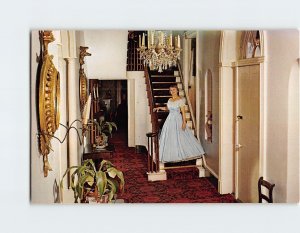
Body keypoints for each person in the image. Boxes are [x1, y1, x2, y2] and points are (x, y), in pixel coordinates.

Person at [153, 84, 205, 163]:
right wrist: (159, 108)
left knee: (179, 136)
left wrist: (184, 122)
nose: (172, 91)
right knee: (170, 137)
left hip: (177, 119)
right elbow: (167, 108)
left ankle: (181, 153)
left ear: (177, 90)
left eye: (173, 90)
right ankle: (171, 154)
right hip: (169, 120)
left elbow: (183, 112)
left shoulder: (180, 100)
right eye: (170, 90)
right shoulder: (170, 100)